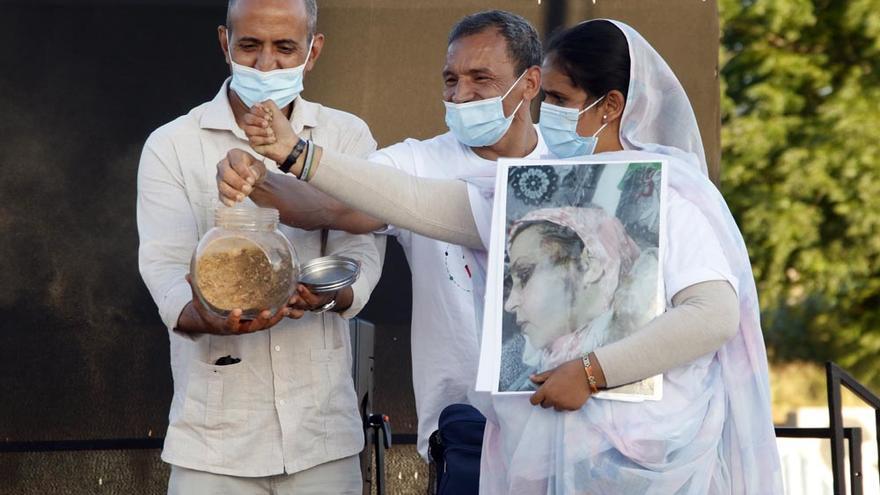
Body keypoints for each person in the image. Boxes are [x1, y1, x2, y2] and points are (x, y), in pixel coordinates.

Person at [218, 17, 783, 494]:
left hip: (649, 456)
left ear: (611, 106)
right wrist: (297, 154)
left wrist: (592, 372)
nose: (546, 113)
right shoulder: (537, 192)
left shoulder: (666, 193)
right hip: (532, 447)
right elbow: (418, 202)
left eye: (558, 100)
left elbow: (712, 314)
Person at [216, 10, 548, 463]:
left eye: (481, 78)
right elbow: (328, 205)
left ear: (529, 83)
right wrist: (257, 177)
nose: (461, 94)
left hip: (559, 422)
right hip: (467, 427)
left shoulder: (569, 172)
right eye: (451, 79)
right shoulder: (416, 163)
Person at [136, 0, 383, 493]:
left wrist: (332, 292)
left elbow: (363, 248)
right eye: (250, 46)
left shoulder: (345, 135)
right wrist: (202, 314)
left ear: (314, 52)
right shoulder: (173, 144)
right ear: (226, 43)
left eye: (285, 48)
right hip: (213, 444)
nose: (266, 65)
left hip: (322, 439)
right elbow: (164, 268)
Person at [501, 207, 640, 392]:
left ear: (589, 266)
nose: (509, 304)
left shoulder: (637, 351)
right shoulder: (532, 365)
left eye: (524, 274)